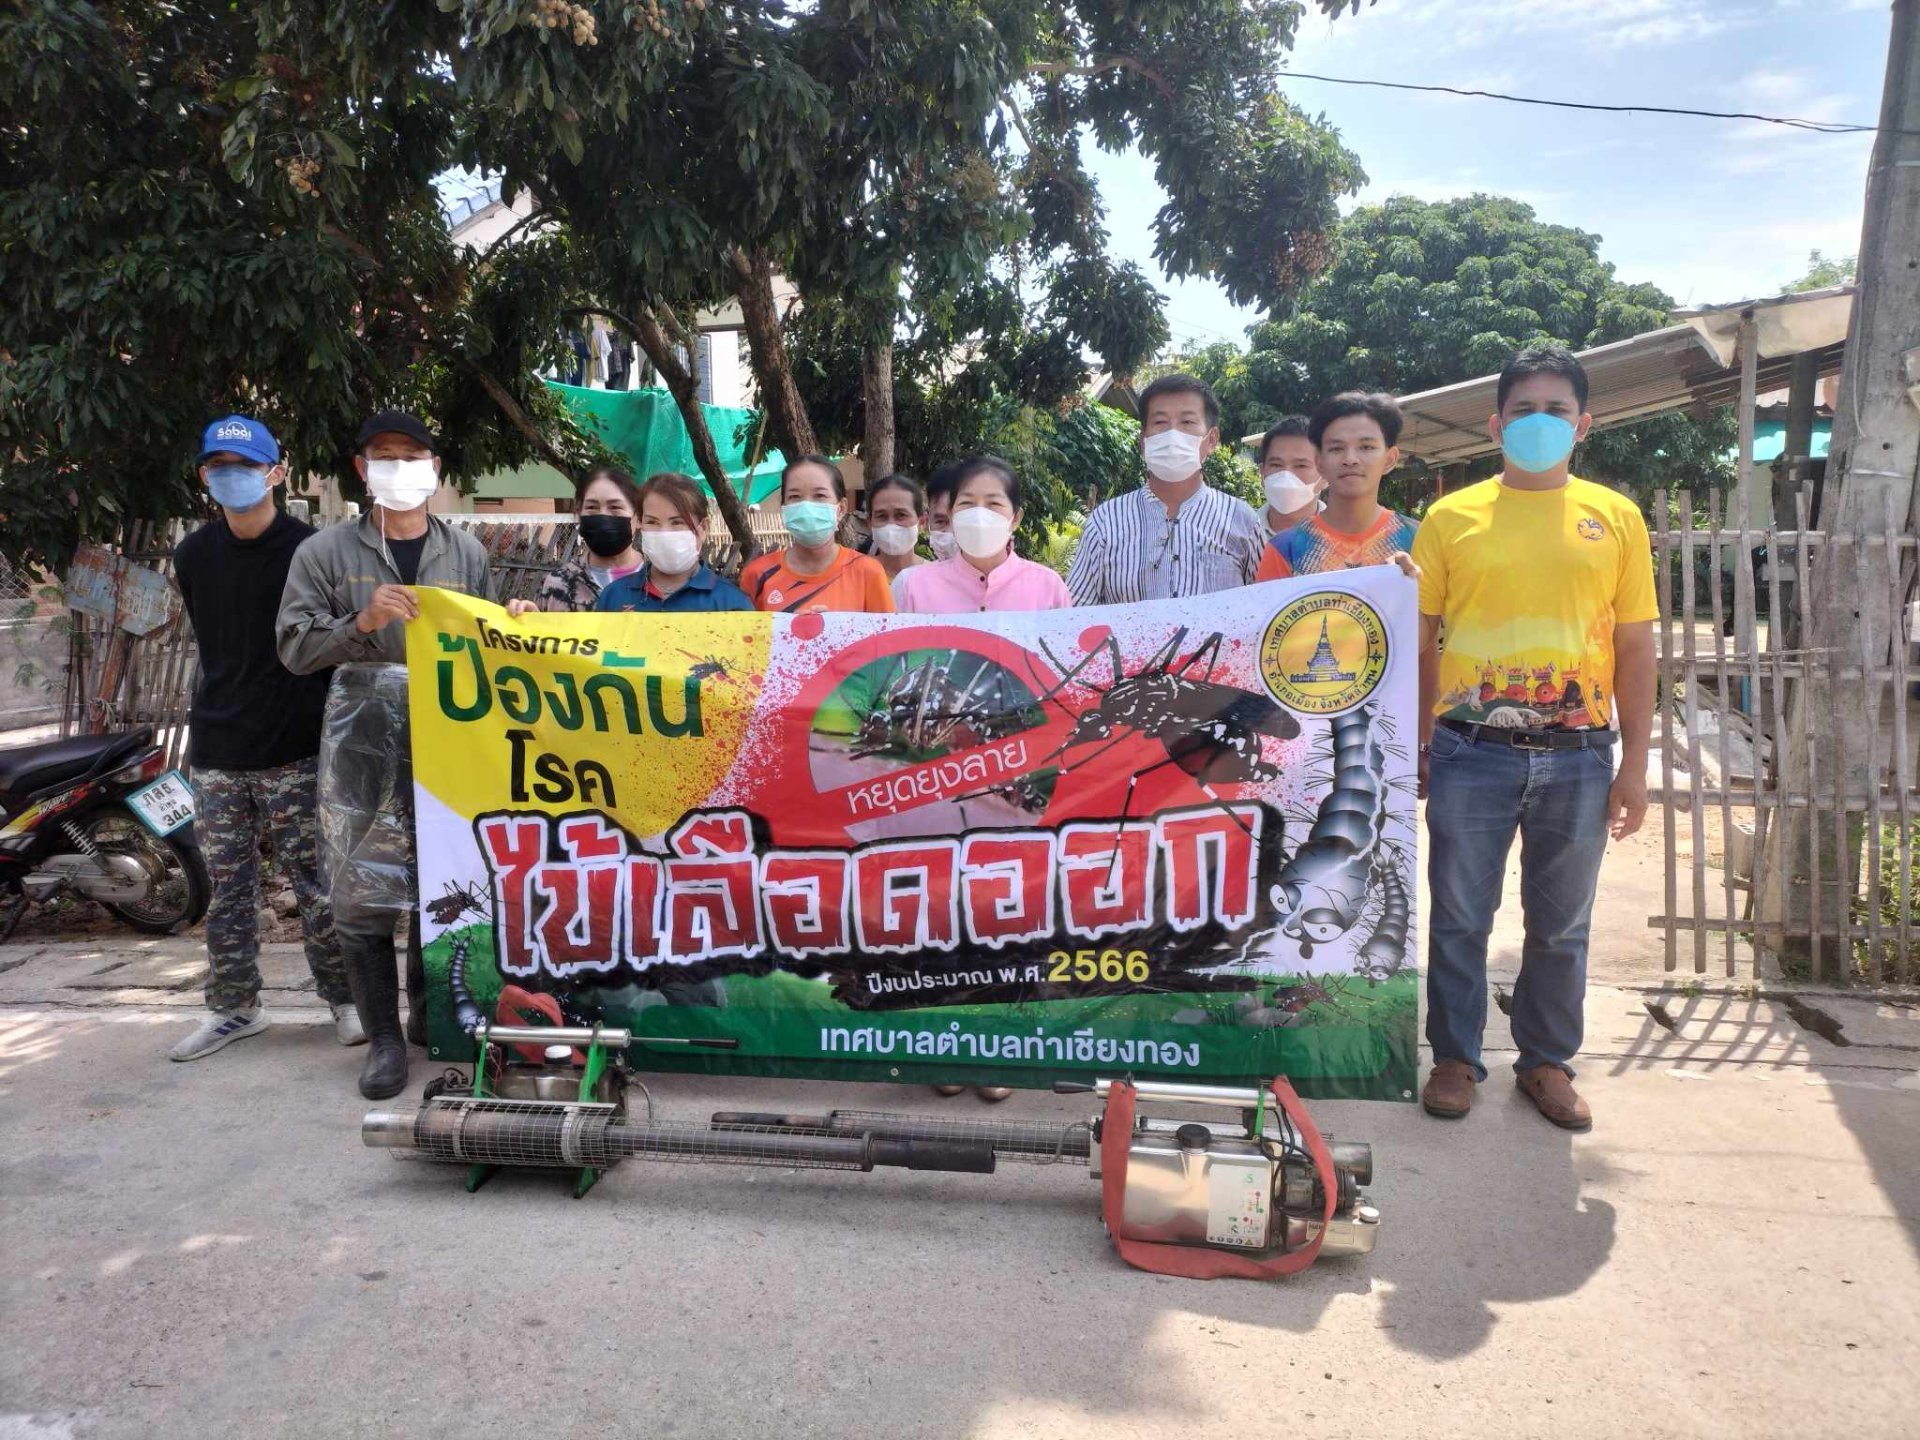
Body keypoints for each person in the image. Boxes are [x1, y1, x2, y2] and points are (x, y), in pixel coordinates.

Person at [1411, 344, 1656, 1133]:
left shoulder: (1615, 517)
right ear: (1495, 423)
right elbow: (1420, 639)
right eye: (1524, 409)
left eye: (1557, 410)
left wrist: (1636, 767)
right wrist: (1417, 742)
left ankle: (1545, 1061)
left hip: (1581, 756)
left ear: (1584, 424)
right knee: (1457, 916)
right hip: (1467, 751)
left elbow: (1636, 646)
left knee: (1561, 925)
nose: (1539, 422)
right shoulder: (1451, 518)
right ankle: (1454, 1056)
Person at [277, 409, 494, 1099]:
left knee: (445, 884)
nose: (399, 466)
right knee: (363, 892)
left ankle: (432, 1020)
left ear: (434, 468)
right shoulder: (324, 554)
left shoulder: (466, 554)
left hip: (448, 737)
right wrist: (360, 624)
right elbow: (294, 649)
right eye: (384, 455)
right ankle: (383, 1043)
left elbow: (487, 650)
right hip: (363, 740)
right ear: (361, 468)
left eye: (412, 454)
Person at [167, 416, 357, 1062]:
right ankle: (234, 1007)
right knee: (227, 887)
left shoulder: (312, 551)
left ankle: (345, 1000)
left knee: (317, 882)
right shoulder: (191, 556)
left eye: (247, 465)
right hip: (218, 747)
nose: (234, 476)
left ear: (276, 471)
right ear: (204, 476)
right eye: (220, 465)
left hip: (296, 745)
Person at [1066, 373, 1265, 605]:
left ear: (1211, 439)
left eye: (1187, 422)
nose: (1173, 434)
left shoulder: (1242, 521)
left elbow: (1264, 609)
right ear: (1143, 440)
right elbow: (1075, 615)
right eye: (1160, 422)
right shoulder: (1106, 522)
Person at [1255, 393, 1418, 581]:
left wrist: (1413, 586)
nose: (1350, 459)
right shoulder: (1285, 549)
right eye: (1336, 448)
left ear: (1390, 459)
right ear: (1320, 462)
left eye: (1366, 447)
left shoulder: (1420, 539)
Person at [893, 456, 1070, 614]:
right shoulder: (913, 587)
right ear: (951, 514)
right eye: (967, 503)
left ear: (1015, 518)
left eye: (993, 503)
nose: (978, 514)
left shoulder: (1049, 588)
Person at [739, 455, 895, 614]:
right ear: (784, 508)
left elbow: (886, 636)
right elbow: (743, 636)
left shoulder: (867, 571)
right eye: (794, 497)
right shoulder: (757, 575)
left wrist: (833, 629)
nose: (806, 505)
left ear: (840, 509)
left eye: (820, 496)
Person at [594, 473, 755, 613]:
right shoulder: (613, 596)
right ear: (640, 524)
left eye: (677, 522)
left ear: (703, 528)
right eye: (652, 522)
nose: (664, 533)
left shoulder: (731, 603)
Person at [514, 466, 644, 614]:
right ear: (578, 514)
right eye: (592, 507)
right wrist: (529, 622)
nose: (603, 516)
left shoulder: (660, 580)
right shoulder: (558, 584)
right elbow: (542, 635)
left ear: (638, 516)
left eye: (615, 507)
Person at [1256, 415, 1325, 535]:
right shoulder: (1238, 532)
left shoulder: (1352, 540)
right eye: (1276, 465)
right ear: (1262, 473)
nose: (1286, 476)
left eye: (1301, 466)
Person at [864, 474, 928, 595]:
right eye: (881, 516)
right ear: (869, 523)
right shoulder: (854, 575)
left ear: (922, 522)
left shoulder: (937, 578)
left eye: (901, 515)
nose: (891, 525)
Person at [924, 461, 961, 563]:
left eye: (960, 522)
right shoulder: (910, 578)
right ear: (927, 522)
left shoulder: (1007, 578)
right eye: (940, 522)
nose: (950, 532)